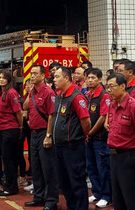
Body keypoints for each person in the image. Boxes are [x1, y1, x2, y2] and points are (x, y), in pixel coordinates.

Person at [105, 72, 135, 210]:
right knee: (118, 197)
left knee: (132, 197)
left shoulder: (134, 106)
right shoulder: (112, 104)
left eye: (112, 86)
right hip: (114, 156)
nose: (109, 90)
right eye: (107, 87)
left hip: (129, 157)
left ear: (122, 86)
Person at [52, 66, 90, 210]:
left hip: (72, 147)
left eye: (57, 77)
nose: (54, 80)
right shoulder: (59, 96)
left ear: (66, 78)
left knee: (76, 181)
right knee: (64, 181)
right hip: (59, 146)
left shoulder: (76, 97)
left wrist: (83, 135)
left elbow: (85, 120)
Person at [23, 64, 58, 209]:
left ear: (43, 76)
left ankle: (51, 201)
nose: (32, 76)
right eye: (31, 74)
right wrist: (29, 91)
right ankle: (38, 196)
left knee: (47, 168)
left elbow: (51, 115)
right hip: (34, 134)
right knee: (36, 167)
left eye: (35, 74)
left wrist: (48, 135)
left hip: (44, 132)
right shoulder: (33, 91)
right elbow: (25, 107)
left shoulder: (48, 92)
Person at [85, 68, 111, 209]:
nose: (90, 80)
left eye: (93, 78)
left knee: (103, 168)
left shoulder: (104, 95)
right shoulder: (87, 95)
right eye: (88, 77)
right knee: (91, 166)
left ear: (100, 80)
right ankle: (96, 192)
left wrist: (90, 133)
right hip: (89, 138)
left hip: (100, 138)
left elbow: (102, 118)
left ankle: (106, 195)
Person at [0, 70, 23, 197]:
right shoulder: (0, 93)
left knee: (10, 159)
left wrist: (20, 127)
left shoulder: (11, 93)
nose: (1, 80)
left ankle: (12, 188)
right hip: (2, 129)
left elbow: (18, 112)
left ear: (9, 80)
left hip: (11, 129)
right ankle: (8, 185)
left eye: (3, 78)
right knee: (5, 158)